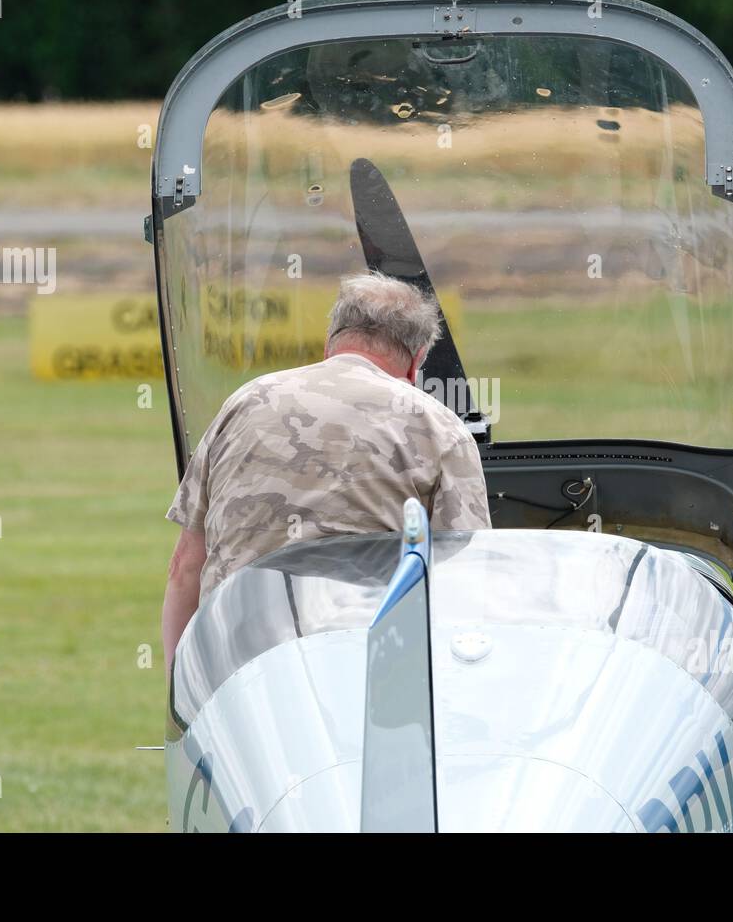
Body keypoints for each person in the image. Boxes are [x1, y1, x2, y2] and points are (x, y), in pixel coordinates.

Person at [161, 270, 491, 675]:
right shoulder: (440, 426)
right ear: (417, 360)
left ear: (329, 343)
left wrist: (182, 695)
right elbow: (465, 577)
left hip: (235, 663)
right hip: (363, 667)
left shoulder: (246, 402)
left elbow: (185, 566)